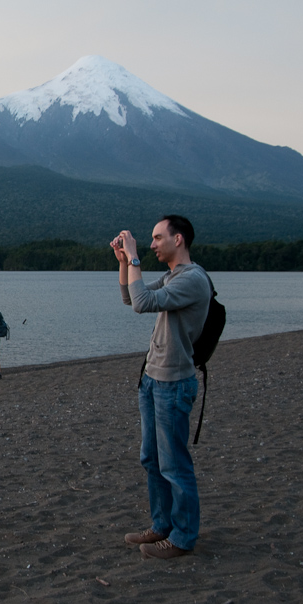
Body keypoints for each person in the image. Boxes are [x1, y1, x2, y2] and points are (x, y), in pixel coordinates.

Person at [111, 214, 211, 560]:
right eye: (149, 240)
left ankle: (183, 537)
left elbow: (142, 304)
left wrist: (135, 257)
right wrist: (125, 264)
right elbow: (130, 298)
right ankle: (162, 525)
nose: (152, 244)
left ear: (178, 239)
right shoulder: (173, 277)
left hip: (173, 383)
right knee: (151, 459)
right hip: (152, 380)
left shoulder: (193, 279)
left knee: (174, 464)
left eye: (157, 238)